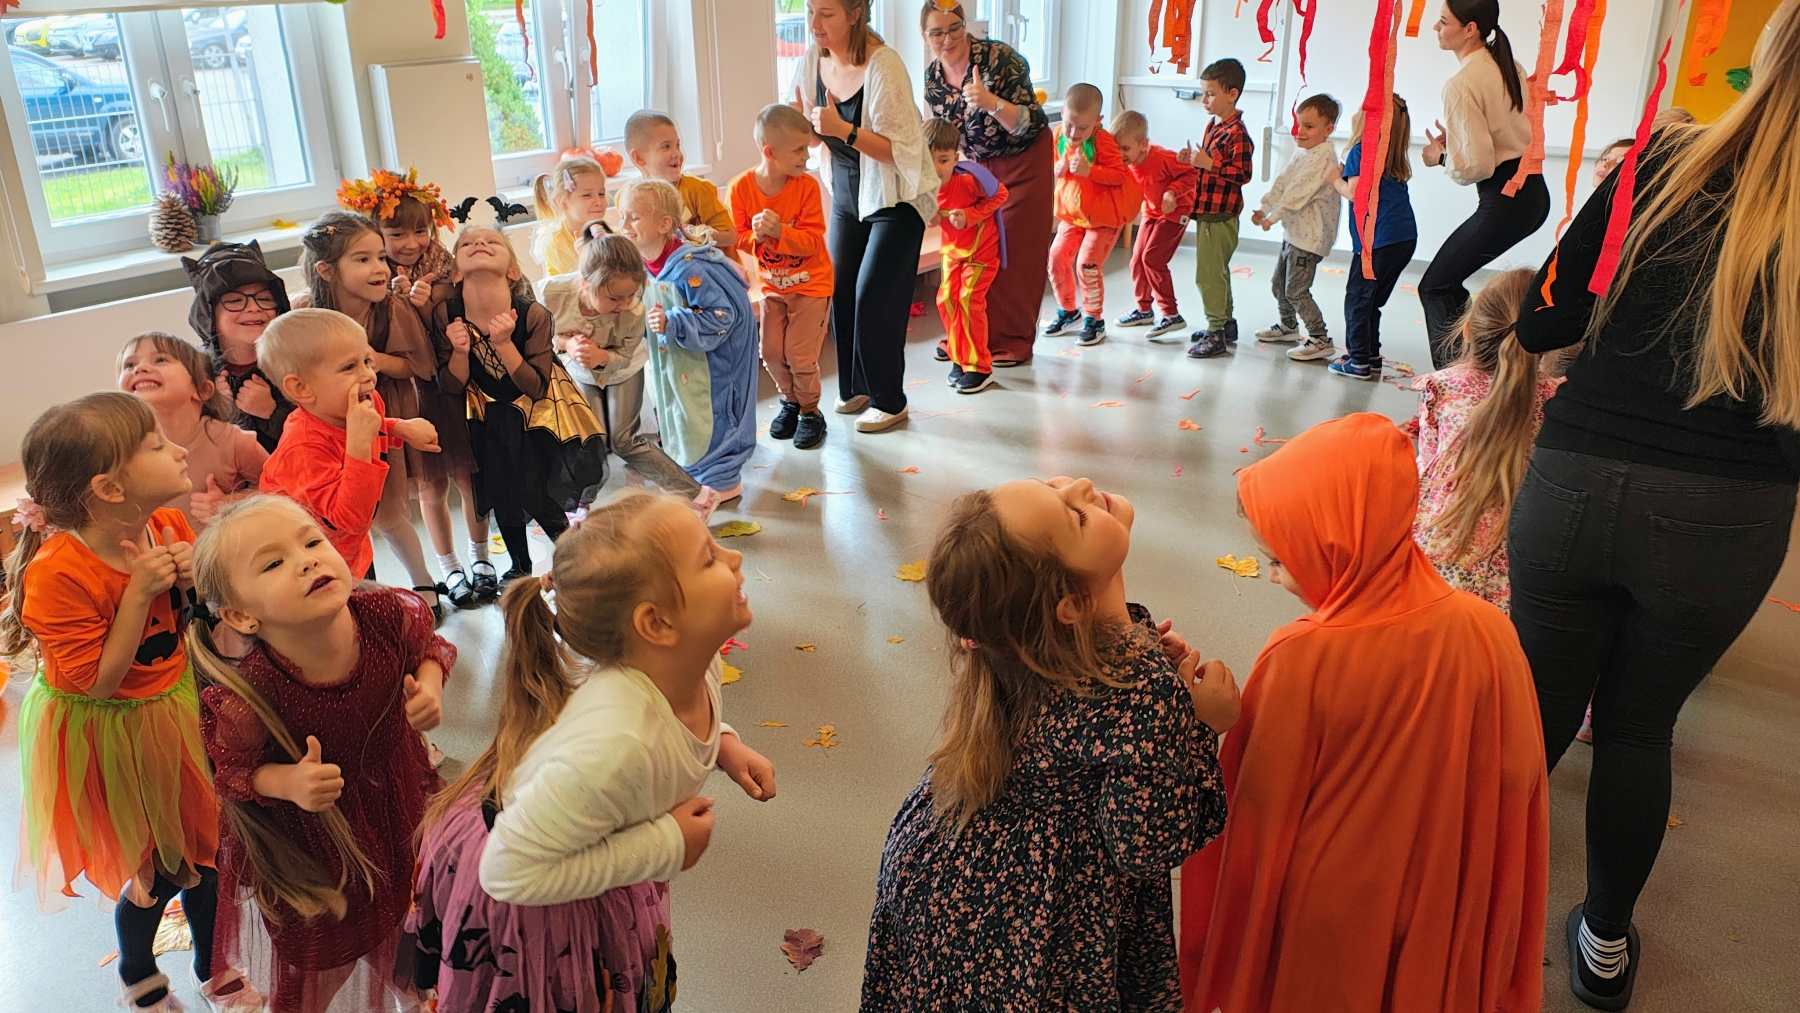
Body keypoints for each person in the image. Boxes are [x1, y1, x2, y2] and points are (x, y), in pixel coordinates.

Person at [1511, 6, 1800, 1006]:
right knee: (1639, 726)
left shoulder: (1659, 161)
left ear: (1767, 52)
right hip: (1726, 510)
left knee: (1534, 710)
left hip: (1576, 476)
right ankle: (1603, 944)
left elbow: (1543, 319)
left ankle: (1461, 895)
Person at [1180, 413, 1549, 1013]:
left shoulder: (1302, 656)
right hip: (1446, 903)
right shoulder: (1490, 632)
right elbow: (1516, 790)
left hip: (1329, 922)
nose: (1272, 577)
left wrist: (1203, 724)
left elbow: (1256, 817)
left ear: (1333, 547)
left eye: (1279, 560)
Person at [859, 475, 1235, 1011]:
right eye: (1074, 516)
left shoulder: (1029, 640)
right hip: (1032, 915)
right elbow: (1146, 844)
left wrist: (1151, 664)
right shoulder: (1142, 688)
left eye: (1055, 487)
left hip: (946, 873)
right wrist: (1199, 727)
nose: (1081, 484)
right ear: (1071, 605)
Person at [411, 491, 775, 1013]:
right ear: (657, 624)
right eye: (709, 559)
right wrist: (666, 845)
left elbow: (676, 716)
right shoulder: (616, 746)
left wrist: (725, 745)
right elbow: (507, 872)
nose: (735, 557)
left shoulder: (695, 660)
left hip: (591, 842)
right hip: (531, 892)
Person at [1, 392, 259, 1013]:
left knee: (208, 849)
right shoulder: (58, 572)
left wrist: (196, 581)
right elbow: (97, 682)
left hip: (174, 707)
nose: (177, 450)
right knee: (158, 867)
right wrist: (140, 591)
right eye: (155, 445)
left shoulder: (166, 524)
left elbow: (197, 621)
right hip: (109, 733)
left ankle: (211, 964)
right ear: (109, 489)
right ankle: (138, 972)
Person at [186, 495, 451, 1013]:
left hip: (397, 800)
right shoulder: (251, 692)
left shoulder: (385, 613)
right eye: (273, 563)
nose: (307, 560)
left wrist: (429, 687)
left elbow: (425, 651)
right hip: (320, 846)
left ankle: (412, 992)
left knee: (406, 918)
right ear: (241, 614)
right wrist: (287, 782)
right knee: (324, 961)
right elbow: (233, 772)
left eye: (312, 542)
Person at [342, 170, 496, 610]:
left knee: (469, 477)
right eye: (397, 234)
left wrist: (428, 300)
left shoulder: (447, 267)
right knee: (431, 486)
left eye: (420, 231)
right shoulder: (377, 278)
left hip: (454, 383)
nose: (411, 243)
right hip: (411, 394)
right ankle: (449, 567)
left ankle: (481, 557)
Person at [794, 0, 939, 434]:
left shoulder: (883, 66)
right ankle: (856, 388)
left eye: (826, 13)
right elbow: (812, 133)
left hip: (896, 197)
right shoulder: (812, 60)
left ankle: (890, 401)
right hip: (846, 194)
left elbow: (902, 152)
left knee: (874, 296)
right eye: (811, 11)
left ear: (855, 13)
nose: (814, 23)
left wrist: (843, 129)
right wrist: (799, 128)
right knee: (841, 292)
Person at [296, 211, 446, 615]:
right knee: (339, 515)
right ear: (327, 270)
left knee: (388, 512)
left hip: (383, 412)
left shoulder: (392, 309)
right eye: (363, 259)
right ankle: (353, 592)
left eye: (381, 257)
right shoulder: (308, 315)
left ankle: (423, 583)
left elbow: (417, 364)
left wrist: (372, 360)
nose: (380, 267)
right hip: (328, 426)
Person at [435, 225, 604, 582]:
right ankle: (519, 567)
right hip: (486, 416)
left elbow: (536, 386)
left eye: (491, 241)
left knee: (536, 491)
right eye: (467, 243)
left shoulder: (533, 314)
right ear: (456, 272)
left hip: (536, 416)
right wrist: (461, 352)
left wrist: (503, 344)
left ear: (512, 270)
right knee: (502, 494)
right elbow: (451, 385)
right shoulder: (447, 313)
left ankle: (577, 557)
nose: (479, 243)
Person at [1410, 268, 1557, 610]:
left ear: (1467, 330)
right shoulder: (1556, 399)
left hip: (1438, 545)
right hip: (1516, 560)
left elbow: (1427, 466)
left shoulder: (1441, 388)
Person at [257, 308, 441, 581]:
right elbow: (351, 519)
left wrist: (399, 428)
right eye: (349, 367)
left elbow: (374, 427)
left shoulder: (364, 403)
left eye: (366, 361)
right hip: (308, 568)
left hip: (349, 550)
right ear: (301, 389)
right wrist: (358, 444)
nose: (368, 375)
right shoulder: (303, 448)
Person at [920, 0, 1053, 367]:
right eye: (936, 33)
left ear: (965, 26)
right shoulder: (933, 79)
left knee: (1014, 254)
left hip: (1023, 159)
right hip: (977, 166)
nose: (947, 40)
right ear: (925, 37)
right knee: (973, 248)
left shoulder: (999, 58)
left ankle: (1011, 339)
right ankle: (966, 338)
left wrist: (991, 102)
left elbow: (1028, 123)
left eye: (954, 29)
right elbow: (946, 137)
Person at [1418, 0, 1549, 368]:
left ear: (1470, 28)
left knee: (1435, 287)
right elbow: (1502, 133)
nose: (1436, 28)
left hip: (1507, 200)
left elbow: (1475, 165)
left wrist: (1440, 157)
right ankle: (1478, 368)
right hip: (1531, 194)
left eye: (1443, 21)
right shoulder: (1508, 65)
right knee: (1446, 283)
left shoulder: (1461, 84)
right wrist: (1459, 141)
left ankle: (1458, 381)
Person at [619, 179, 759, 514]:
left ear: (664, 224)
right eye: (622, 216)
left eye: (634, 217)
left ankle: (721, 479)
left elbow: (722, 315)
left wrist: (674, 322)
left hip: (711, 368)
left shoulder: (692, 268)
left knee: (710, 418)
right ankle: (692, 476)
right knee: (682, 416)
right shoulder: (647, 265)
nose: (624, 225)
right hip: (676, 364)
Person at [536, 224, 704, 502]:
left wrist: (601, 357)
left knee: (624, 440)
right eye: (615, 298)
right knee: (592, 440)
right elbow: (539, 333)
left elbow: (624, 357)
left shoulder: (634, 311)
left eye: (632, 294)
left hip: (624, 367)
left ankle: (695, 494)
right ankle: (579, 502)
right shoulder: (551, 293)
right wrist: (567, 344)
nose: (625, 304)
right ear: (586, 285)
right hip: (581, 369)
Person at [729, 103, 836, 446]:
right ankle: (792, 402)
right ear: (770, 153)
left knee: (800, 356)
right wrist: (758, 235)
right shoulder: (741, 188)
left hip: (811, 286)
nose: (806, 156)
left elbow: (811, 243)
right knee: (772, 353)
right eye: (799, 150)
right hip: (772, 287)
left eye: (806, 148)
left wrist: (779, 232)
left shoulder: (805, 187)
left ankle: (810, 412)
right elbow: (738, 238)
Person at [118, 332, 267, 530]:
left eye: (160, 360)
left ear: (201, 390)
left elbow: (279, 486)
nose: (140, 368)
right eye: (129, 365)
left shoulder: (229, 440)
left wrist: (230, 503)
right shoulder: (120, 450)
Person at [1043, 83, 1139, 349]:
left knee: (1087, 265)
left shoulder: (1103, 141)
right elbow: (1055, 164)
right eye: (1069, 124)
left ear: (1098, 121)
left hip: (1103, 218)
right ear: (1062, 113)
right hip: (1072, 214)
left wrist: (1090, 171)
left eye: (1083, 128)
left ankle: (1094, 320)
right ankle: (1067, 311)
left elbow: (1119, 175)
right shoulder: (1058, 134)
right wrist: (1058, 168)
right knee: (1056, 258)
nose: (1074, 133)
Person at [1330, 94, 1420, 381]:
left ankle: (1358, 361)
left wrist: (1335, 179)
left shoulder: (1361, 151)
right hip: (1403, 238)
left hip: (1377, 240)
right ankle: (1370, 354)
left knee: (1357, 299)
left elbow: (1355, 193)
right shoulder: (1391, 154)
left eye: (1360, 109)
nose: (1354, 114)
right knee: (1372, 300)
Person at [1250, 93, 1344, 363]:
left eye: (1309, 126)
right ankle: (1288, 326)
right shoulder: (1304, 151)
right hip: (1294, 233)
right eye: (1299, 124)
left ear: (1328, 129)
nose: (1300, 131)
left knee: (1296, 290)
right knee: (1278, 285)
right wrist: (1265, 207)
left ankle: (1320, 339)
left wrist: (1272, 218)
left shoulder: (1323, 157)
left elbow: (1297, 193)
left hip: (1309, 238)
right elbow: (1284, 182)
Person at [181, 240, 293, 452]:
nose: (253, 308)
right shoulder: (196, 374)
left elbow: (319, 434)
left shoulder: (294, 364)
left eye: (264, 299)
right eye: (234, 301)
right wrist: (220, 413)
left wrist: (271, 413)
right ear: (208, 315)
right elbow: (187, 445)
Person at [926, 116, 1010, 394]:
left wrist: (971, 214)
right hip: (952, 251)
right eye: (928, 161)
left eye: (943, 160)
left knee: (968, 299)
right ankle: (958, 356)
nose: (936, 168)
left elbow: (1000, 194)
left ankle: (979, 367)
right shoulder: (925, 186)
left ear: (955, 157)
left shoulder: (969, 180)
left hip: (981, 250)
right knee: (947, 299)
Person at [1183, 58, 1255, 358]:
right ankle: (1225, 324)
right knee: (1217, 271)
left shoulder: (1237, 132)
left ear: (1232, 94)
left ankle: (1215, 333)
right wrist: (1193, 161)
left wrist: (1209, 164)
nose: (1204, 100)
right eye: (1203, 93)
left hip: (1220, 215)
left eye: (1210, 94)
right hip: (1208, 211)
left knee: (1209, 275)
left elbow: (1243, 174)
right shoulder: (1214, 126)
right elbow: (1208, 166)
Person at [1113, 109, 1199, 341]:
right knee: (1137, 259)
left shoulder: (1162, 157)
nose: (1120, 154)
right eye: (1116, 148)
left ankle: (1171, 314)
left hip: (1176, 211)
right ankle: (1144, 310)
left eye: (1125, 148)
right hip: (1151, 211)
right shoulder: (1128, 162)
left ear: (1143, 144)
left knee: (1153, 258)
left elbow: (1192, 174)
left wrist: (1172, 192)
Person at [625, 111, 738, 252]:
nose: (677, 153)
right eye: (666, 146)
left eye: (677, 145)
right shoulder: (628, 198)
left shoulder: (698, 190)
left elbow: (730, 236)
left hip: (712, 264)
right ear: (639, 158)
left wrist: (690, 232)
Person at [530, 154, 612, 277]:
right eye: (587, 195)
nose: (599, 202)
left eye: (601, 194)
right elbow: (560, 286)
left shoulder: (613, 236)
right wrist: (587, 260)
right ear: (562, 202)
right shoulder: (555, 247)